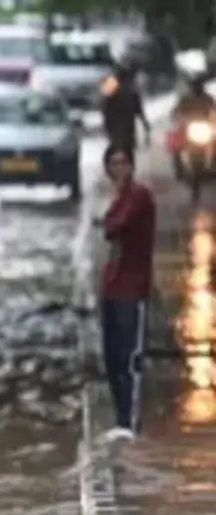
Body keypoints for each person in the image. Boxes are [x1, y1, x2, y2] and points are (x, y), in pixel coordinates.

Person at [99, 144, 155, 440]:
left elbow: (113, 227)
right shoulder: (119, 198)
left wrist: (110, 216)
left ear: (131, 166)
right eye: (113, 164)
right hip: (112, 287)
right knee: (112, 357)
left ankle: (130, 422)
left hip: (133, 289)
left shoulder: (138, 196)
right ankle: (121, 418)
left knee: (130, 358)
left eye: (123, 162)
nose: (118, 169)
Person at [101, 64, 150, 159]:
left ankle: (122, 168)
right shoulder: (129, 93)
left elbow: (106, 111)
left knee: (121, 149)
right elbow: (139, 111)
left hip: (118, 127)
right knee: (126, 150)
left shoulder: (113, 92)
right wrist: (145, 124)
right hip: (124, 127)